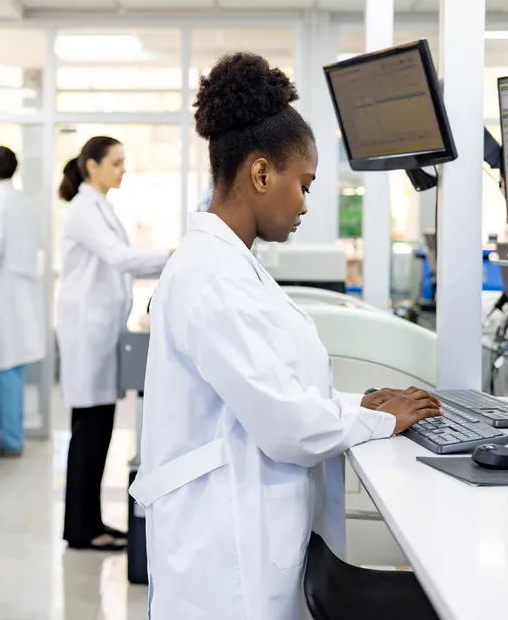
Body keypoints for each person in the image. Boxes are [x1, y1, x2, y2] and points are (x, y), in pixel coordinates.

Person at [130, 53, 442, 618]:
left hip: (240, 536)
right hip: (223, 564)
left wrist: (358, 403)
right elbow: (286, 426)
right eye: (304, 184)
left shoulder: (230, 265)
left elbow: (277, 390)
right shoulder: (212, 277)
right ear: (261, 173)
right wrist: (379, 419)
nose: (304, 203)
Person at [56, 136, 173, 551]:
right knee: (89, 431)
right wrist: (177, 254)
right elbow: (121, 258)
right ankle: (82, 528)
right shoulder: (83, 209)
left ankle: (88, 524)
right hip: (88, 333)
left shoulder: (99, 206)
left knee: (97, 429)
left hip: (101, 331)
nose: (123, 169)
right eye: (117, 163)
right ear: (92, 166)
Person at [0, 145, 45, 457]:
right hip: (22, 295)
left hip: (2, 296)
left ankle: (9, 439)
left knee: (2, 369)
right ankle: (11, 436)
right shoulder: (25, 203)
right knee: (12, 368)